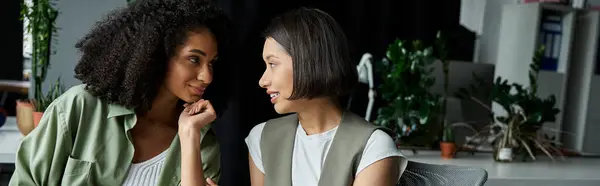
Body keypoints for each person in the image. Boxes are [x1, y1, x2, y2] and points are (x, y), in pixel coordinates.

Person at [9, 0, 230, 185]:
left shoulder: (202, 143)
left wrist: (189, 133)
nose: (207, 76)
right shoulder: (79, 108)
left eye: (212, 63)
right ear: (157, 55)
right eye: (194, 59)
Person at [245, 8, 407, 186]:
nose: (262, 81)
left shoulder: (374, 147)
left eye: (273, 64)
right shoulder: (263, 138)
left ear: (308, 61)